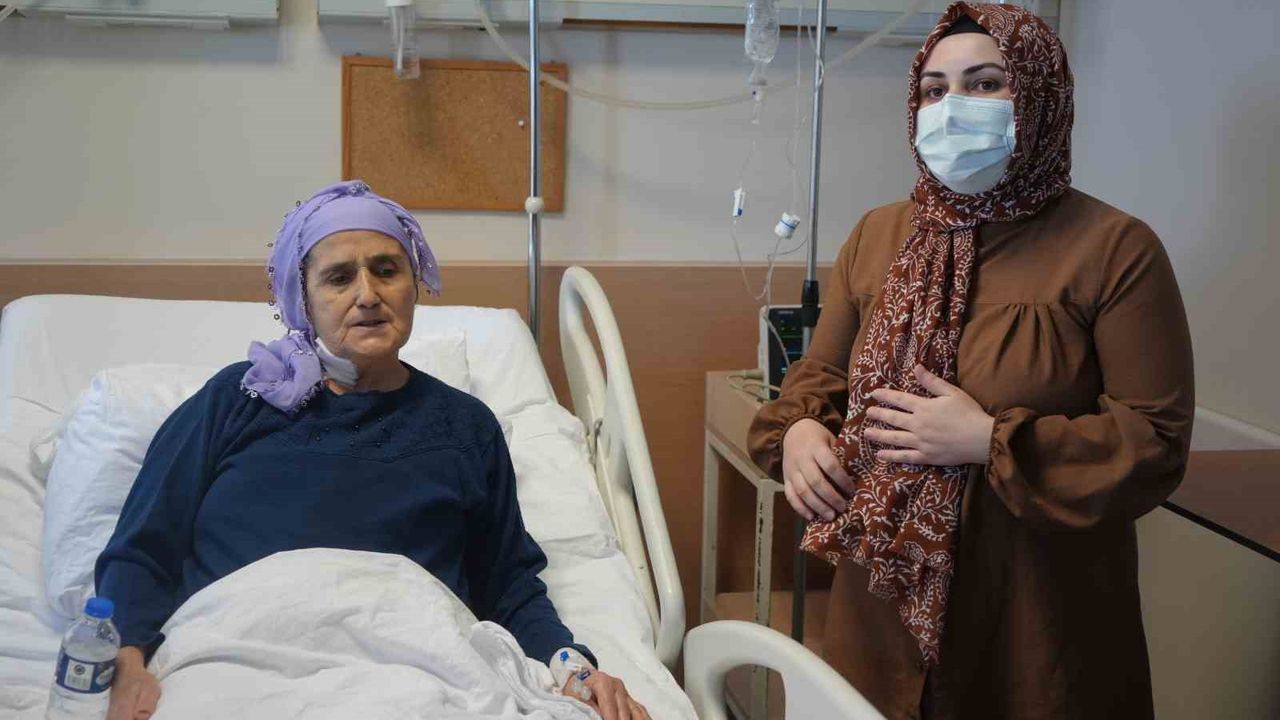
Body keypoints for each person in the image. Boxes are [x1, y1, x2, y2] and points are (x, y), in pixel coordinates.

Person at [748, 3, 1194, 719]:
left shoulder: (1114, 250)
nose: (952, 108)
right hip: (879, 608)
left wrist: (988, 441)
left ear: (1040, 96)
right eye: (934, 90)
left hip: (1033, 616)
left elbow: (1154, 443)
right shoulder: (879, 236)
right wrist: (800, 428)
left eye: (986, 83)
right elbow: (819, 380)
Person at [95, 180, 650, 720]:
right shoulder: (237, 399)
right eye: (339, 278)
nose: (367, 294)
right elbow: (143, 548)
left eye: (387, 270)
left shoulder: (465, 426)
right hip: (237, 659)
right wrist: (127, 662)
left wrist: (572, 666)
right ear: (303, 300)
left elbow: (507, 584)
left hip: (418, 669)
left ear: (414, 285)